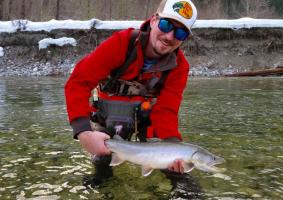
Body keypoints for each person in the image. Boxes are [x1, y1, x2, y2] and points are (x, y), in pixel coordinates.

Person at [65, 0, 198, 175]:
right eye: (166, 25)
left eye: (180, 33)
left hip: (146, 120)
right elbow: (78, 82)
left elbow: (166, 110)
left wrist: (173, 145)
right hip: (109, 117)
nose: (169, 36)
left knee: (177, 173)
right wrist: (83, 132)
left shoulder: (179, 66)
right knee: (102, 166)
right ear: (153, 20)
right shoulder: (121, 44)